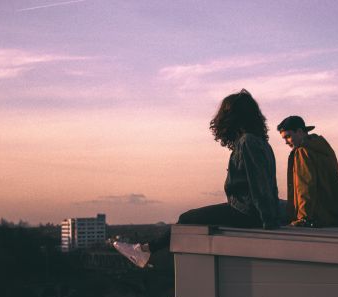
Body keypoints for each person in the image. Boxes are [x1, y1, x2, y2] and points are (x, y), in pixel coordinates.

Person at [114, 89, 279, 267]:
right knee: (189, 218)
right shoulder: (261, 143)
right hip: (250, 211)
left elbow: (259, 185)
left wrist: (268, 223)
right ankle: (145, 250)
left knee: (187, 219)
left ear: (233, 117)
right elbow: (269, 185)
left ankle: (144, 251)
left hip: (245, 212)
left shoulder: (247, 142)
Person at [277, 115, 338, 228]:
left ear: (299, 132)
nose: (286, 142)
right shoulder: (322, 146)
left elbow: (305, 186)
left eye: (288, 136)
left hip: (317, 216)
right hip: (337, 214)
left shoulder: (302, 151)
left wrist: (304, 218)